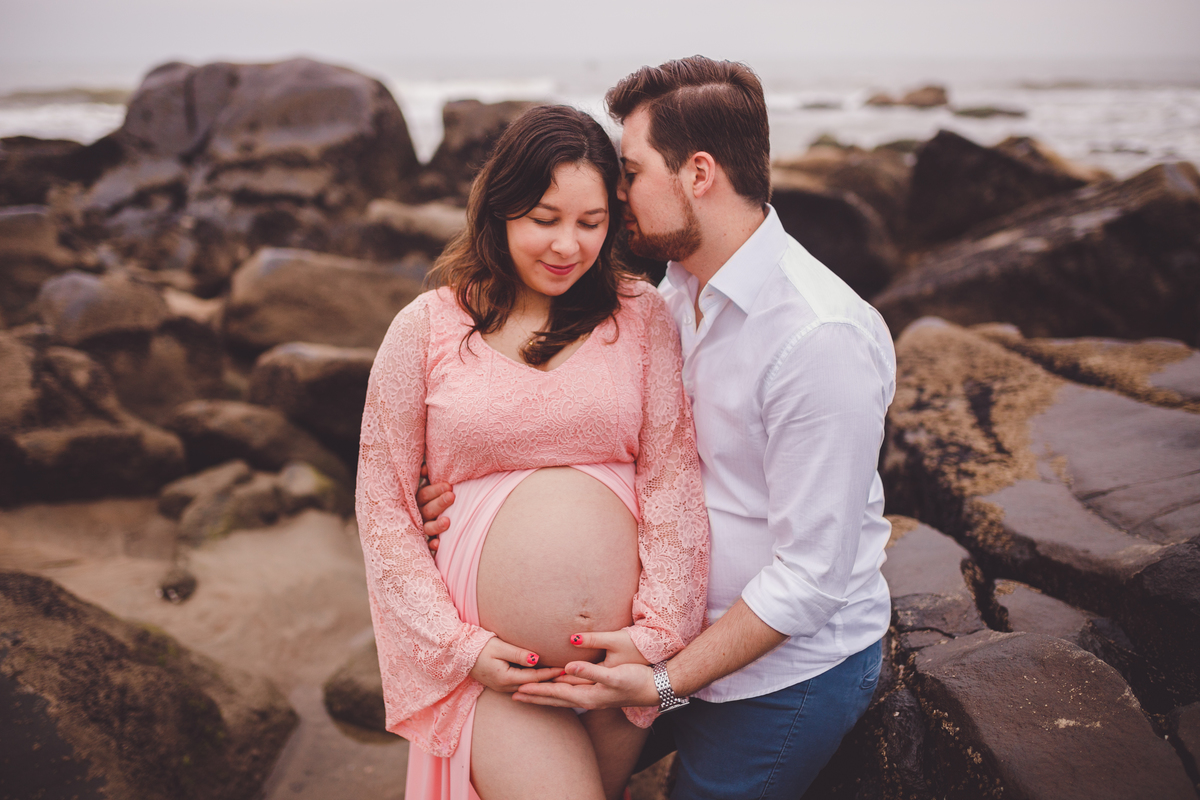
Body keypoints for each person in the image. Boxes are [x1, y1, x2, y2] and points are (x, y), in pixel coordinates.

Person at [422, 57, 896, 798]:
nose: (618, 192)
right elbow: (578, 427)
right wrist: (459, 497)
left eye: (632, 170)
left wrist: (661, 683)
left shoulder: (817, 339)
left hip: (773, 678)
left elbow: (812, 578)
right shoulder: (665, 298)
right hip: (655, 650)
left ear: (698, 174)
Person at [355, 104, 710, 800]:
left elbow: (671, 477)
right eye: (544, 219)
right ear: (500, 209)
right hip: (496, 673)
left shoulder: (641, 315)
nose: (566, 246)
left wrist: (656, 634)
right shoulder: (426, 328)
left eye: (590, 222)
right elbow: (383, 505)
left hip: (620, 673)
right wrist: (463, 650)